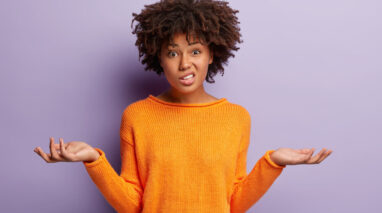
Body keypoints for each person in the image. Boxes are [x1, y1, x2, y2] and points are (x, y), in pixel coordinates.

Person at [33, 0, 333, 212]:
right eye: (172, 52)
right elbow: (133, 205)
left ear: (212, 54)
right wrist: (93, 160)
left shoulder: (236, 118)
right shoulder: (137, 116)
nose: (185, 63)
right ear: (158, 57)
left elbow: (233, 204)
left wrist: (273, 162)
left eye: (195, 51)